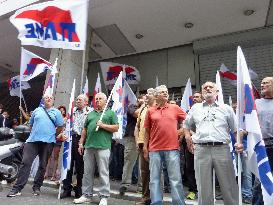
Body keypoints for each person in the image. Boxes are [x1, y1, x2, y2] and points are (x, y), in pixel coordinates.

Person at [184, 81, 243, 205]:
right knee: (203, 187)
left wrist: (239, 143)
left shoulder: (226, 108)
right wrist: (188, 137)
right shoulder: (195, 108)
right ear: (202, 92)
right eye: (205, 88)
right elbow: (186, 125)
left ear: (217, 92)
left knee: (228, 185)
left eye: (211, 87)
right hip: (201, 150)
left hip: (222, 149)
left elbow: (236, 129)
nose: (208, 89)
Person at [7, 94, 64, 197]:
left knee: (42, 166)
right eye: (47, 98)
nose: (49, 99)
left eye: (50, 98)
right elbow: (31, 124)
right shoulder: (37, 110)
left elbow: (60, 126)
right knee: (25, 162)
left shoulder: (57, 112)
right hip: (32, 141)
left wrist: (54, 135)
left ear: (53, 100)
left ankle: (37, 187)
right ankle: (17, 188)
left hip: (48, 142)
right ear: (43, 100)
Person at [144, 85, 187, 205]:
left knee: (175, 179)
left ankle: (178, 203)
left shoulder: (175, 108)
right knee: (154, 179)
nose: (165, 93)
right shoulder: (150, 110)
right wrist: (145, 148)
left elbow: (188, 120)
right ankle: (156, 202)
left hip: (172, 148)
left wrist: (181, 131)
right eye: (162, 92)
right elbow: (147, 130)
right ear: (156, 96)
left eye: (166, 92)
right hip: (154, 149)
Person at [74, 92, 118, 205]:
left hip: (103, 147)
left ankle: (104, 196)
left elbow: (116, 127)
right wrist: (81, 143)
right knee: (87, 172)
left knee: (103, 172)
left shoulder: (110, 113)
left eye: (100, 99)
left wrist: (103, 125)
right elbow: (85, 130)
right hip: (89, 146)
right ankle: (86, 195)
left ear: (105, 101)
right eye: (96, 99)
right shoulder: (90, 114)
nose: (97, 100)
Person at [60, 95, 91, 199]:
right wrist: (63, 133)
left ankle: (78, 189)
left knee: (80, 166)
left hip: (82, 140)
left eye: (80, 100)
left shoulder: (90, 112)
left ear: (86, 102)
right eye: (77, 99)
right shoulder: (72, 111)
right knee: (68, 164)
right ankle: (66, 189)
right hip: (70, 139)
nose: (77, 101)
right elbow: (66, 124)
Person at [252, 77, 273, 205]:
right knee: (260, 183)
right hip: (262, 148)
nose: (262, 84)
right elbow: (246, 124)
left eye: (266, 83)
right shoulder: (256, 103)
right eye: (262, 83)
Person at [119, 95, 146, 196]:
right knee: (129, 162)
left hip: (144, 138)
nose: (143, 100)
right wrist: (144, 105)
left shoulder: (148, 109)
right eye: (141, 99)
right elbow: (137, 114)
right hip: (131, 138)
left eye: (145, 99)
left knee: (142, 164)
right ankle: (125, 184)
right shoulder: (132, 107)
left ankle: (141, 186)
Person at [134, 89, 156, 205]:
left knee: (156, 172)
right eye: (146, 94)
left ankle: (157, 198)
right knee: (144, 172)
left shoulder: (157, 108)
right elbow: (137, 127)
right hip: (143, 144)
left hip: (155, 145)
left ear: (155, 96)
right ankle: (145, 198)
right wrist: (138, 141)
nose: (146, 96)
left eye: (149, 94)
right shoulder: (142, 109)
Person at [45, 105, 67, 182]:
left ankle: (54, 174)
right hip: (51, 137)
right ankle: (46, 173)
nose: (61, 111)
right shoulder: (54, 118)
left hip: (59, 139)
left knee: (55, 156)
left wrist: (60, 134)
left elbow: (65, 129)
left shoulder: (65, 119)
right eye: (60, 110)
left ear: (64, 111)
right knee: (49, 156)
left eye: (63, 110)